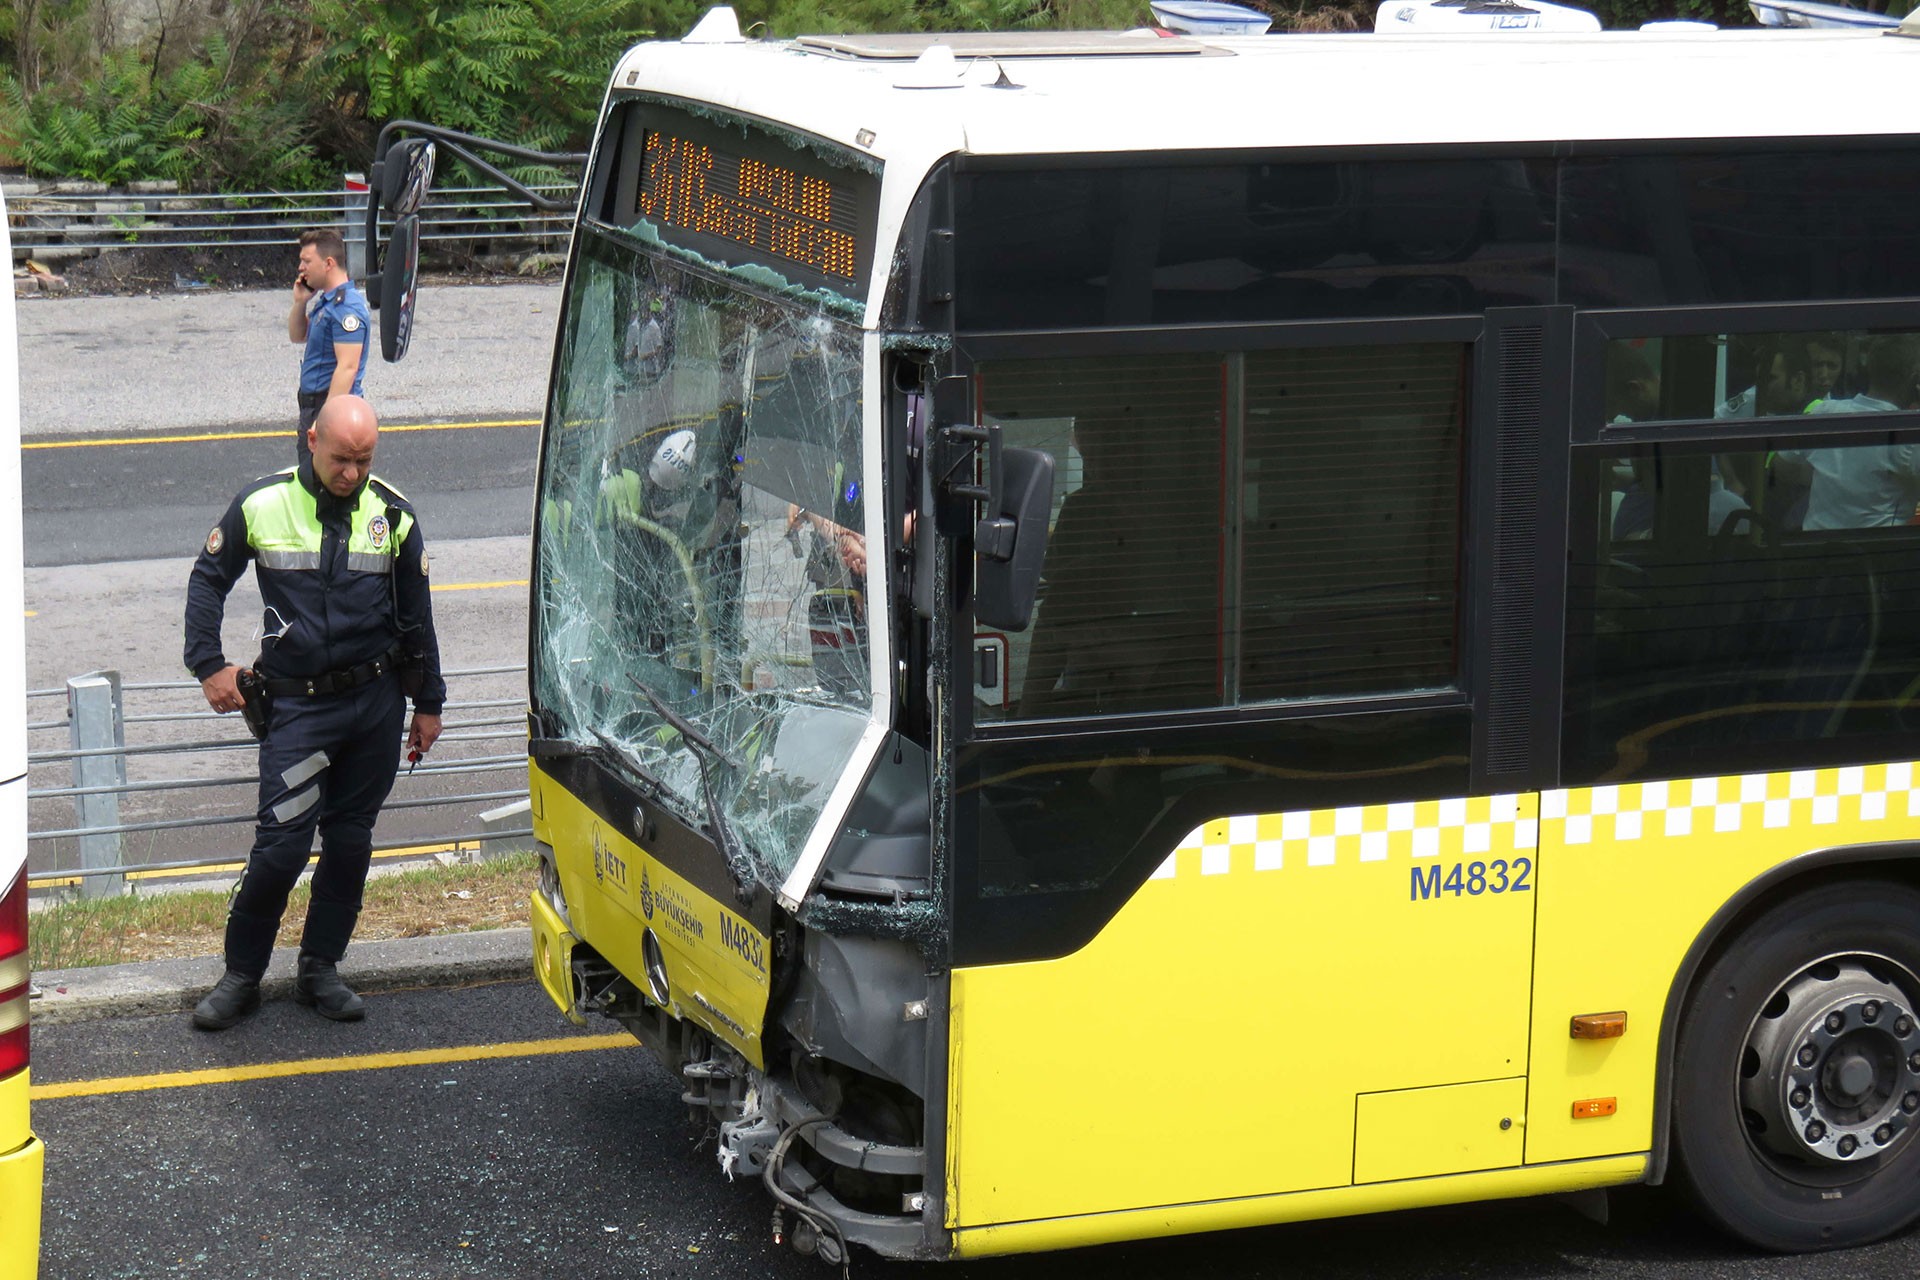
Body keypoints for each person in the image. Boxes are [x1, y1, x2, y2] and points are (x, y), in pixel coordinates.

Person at [183, 395, 445, 1030]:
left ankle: (319, 968)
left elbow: (417, 614)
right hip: (298, 710)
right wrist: (208, 664)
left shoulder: (394, 515)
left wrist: (429, 703)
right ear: (310, 441)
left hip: (374, 705)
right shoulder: (262, 503)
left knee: (350, 843)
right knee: (280, 849)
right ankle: (242, 975)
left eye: (364, 460)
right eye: (341, 459)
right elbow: (208, 578)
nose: (351, 473)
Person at [289, 228, 372, 465]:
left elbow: (348, 367)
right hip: (314, 406)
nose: (300, 268)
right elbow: (297, 335)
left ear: (328, 263)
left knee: (322, 485)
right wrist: (300, 302)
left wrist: (324, 421)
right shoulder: (328, 302)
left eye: (306, 261)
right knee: (311, 481)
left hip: (331, 407)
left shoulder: (346, 308)